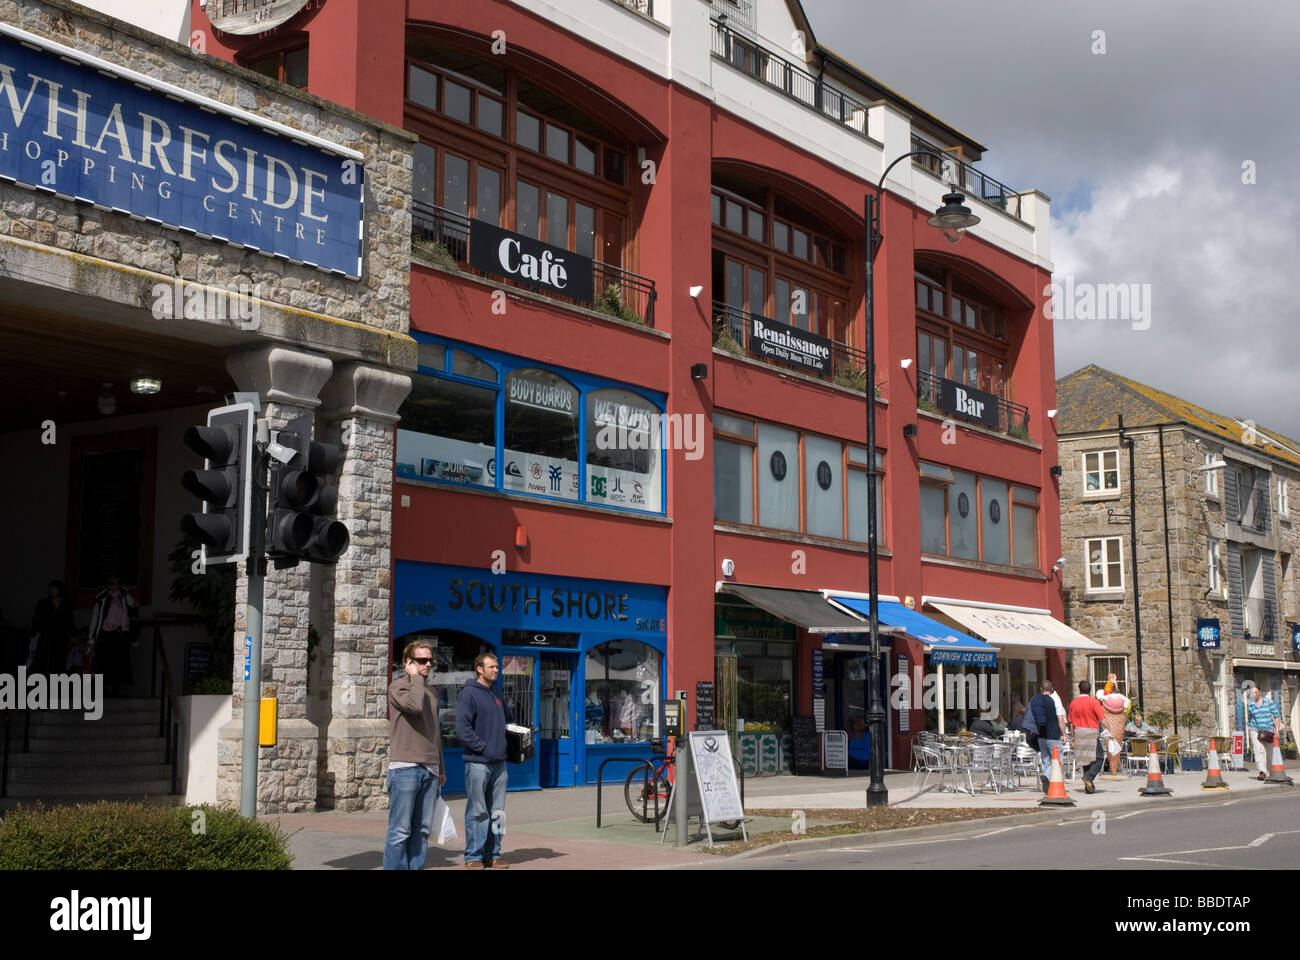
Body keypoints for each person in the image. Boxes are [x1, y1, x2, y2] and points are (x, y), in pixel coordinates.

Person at [384, 640, 445, 871]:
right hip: (405, 768)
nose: (428, 664)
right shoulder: (397, 686)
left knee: (421, 830)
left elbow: (435, 732)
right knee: (400, 830)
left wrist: (441, 767)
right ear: (407, 662)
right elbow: (414, 706)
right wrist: (415, 678)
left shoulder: (431, 691)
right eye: (422, 660)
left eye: (431, 660)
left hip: (430, 767)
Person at [457, 652, 511, 869]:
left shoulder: (497, 693)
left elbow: (509, 721)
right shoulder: (469, 694)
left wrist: (511, 742)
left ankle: (494, 853)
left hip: (500, 764)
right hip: (478, 763)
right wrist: (484, 749)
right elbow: (463, 729)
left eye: (497, 667)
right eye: (491, 667)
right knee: (478, 811)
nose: (495, 670)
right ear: (479, 668)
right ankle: (474, 856)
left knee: (498, 812)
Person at [88, 574, 137, 696]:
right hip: (105, 634)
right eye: (111, 583)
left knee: (119, 663)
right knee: (102, 662)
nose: (114, 586)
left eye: (117, 583)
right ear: (108, 585)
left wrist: (125, 592)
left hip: (120, 634)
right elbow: (95, 619)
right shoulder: (102, 599)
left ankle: (116, 689)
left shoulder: (124, 597)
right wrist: (91, 638)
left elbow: (134, 605)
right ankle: (102, 690)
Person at [30, 580, 75, 675]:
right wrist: (34, 630)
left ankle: (56, 681)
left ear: (60, 589)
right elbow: (37, 618)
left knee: (58, 661)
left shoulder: (66, 603)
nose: (52, 590)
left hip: (60, 637)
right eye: (51, 588)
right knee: (43, 660)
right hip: (46, 636)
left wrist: (73, 634)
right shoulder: (43, 603)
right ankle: (42, 680)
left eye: (55, 588)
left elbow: (69, 621)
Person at [1068, 680, 1105, 793]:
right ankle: (1088, 777)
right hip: (1091, 732)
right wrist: (1110, 730)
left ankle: (1089, 787)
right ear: (1090, 690)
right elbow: (1102, 719)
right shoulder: (1093, 702)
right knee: (1099, 757)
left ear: (1079, 690)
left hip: (1079, 732)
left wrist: (1072, 736)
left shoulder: (1073, 703)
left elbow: (1071, 722)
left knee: (1085, 759)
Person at [1028, 681, 1064, 791]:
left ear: (1041, 689)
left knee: (1046, 760)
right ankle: (1049, 778)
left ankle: (1047, 777)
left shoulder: (1036, 700)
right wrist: (1062, 734)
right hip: (1053, 735)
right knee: (1057, 761)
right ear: (1052, 689)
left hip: (1041, 736)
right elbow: (1060, 719)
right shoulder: (1055, 700)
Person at [1246, 685, 1283, 780]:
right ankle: (1262, 772)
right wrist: (1251, 729)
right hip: (1256, 730)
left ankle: (1271, 770)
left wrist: (1277, 731)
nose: (1254, 695)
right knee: (1258, 750)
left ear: (1260, 692)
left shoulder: (1268, 702)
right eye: (1252, 693)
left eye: (1256, 692)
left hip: (1268, 730)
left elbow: (1276, 716)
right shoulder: (1250, 704)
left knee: (1269, 752)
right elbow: (1250, 718)